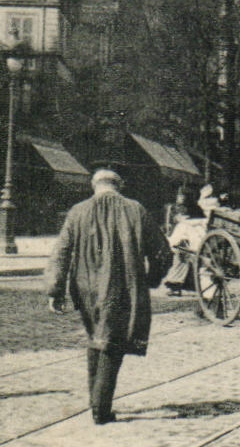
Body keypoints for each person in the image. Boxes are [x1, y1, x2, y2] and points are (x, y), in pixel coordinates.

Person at [45, 169, 171, 425]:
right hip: (122, 287)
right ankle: (100, 409)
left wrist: (55, 289)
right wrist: (152, 278)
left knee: (96, 337)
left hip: (86, 288)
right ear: (119, 185)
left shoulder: (77, 211)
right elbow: (162, 252)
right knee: (112, 342)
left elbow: (61, 253)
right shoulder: (136, 210)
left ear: (94, 186)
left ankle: (96, 401)